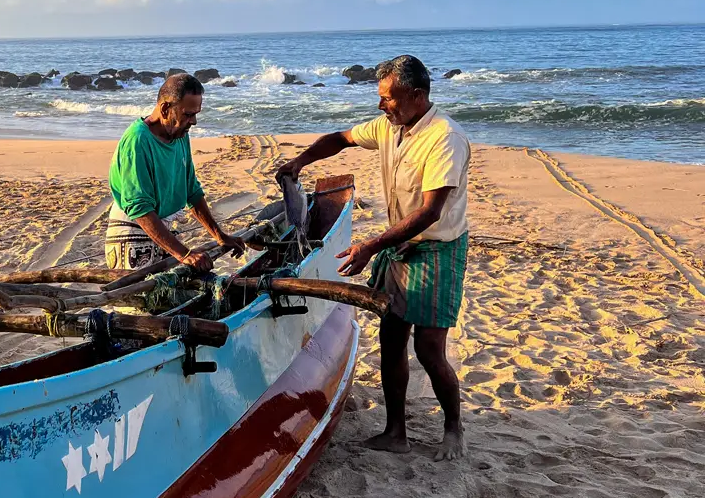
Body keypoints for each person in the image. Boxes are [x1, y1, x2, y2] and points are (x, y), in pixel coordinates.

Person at [276, 55, 470, 460]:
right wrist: (300, 162)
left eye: (390, 98)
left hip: (437, 248)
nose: (382, 105)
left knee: (430, 350)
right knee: (391, 338)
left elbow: (431, 211)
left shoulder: (444, 138)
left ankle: (453, 430)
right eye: (380, 97)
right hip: (396, 245)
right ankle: (395, 432)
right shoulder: (389, 127)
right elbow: (340, 138)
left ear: (417, 95)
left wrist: (370, 246)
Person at [107, 73, 245, 273]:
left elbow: (192, 191)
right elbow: (140, 208)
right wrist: (185, 254)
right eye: (188, 114)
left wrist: (219, 235)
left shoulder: (179, 134)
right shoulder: (137, 141)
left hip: (162, 227)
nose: (194, 121)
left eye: (196, 113)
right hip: (133, 230)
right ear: (165, 108)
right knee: (142, 300)